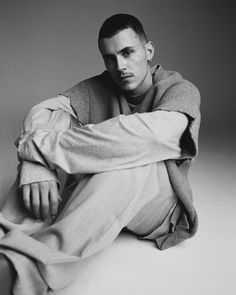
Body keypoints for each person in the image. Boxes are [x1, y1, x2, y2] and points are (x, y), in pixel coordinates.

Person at [0, 14, 200, 295]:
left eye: (128, 52)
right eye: (109, 58)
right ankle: (9, 233)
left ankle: (23, 267)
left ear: (149, 51)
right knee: (55, 122)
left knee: (132, 159)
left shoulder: (180, 89)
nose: (120, 66)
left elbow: (149, 137)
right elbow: (43, 112)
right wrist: (38, 166)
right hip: (105, 194)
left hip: (160, 206)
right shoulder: (101, 86)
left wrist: (38, 147)